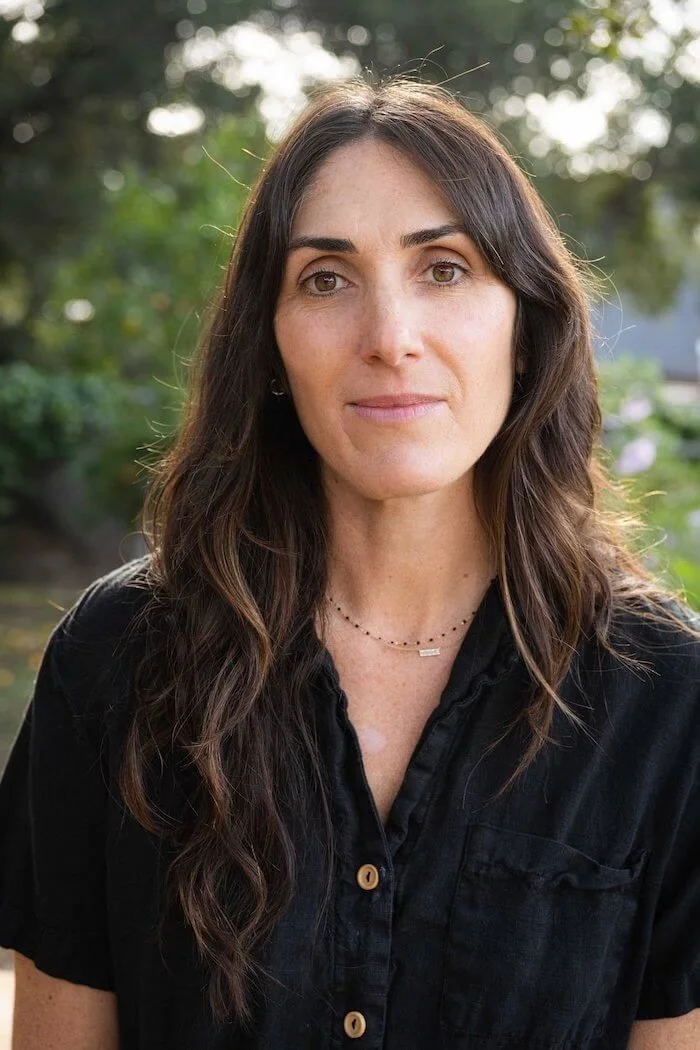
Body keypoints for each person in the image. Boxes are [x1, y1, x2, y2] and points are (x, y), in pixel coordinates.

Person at [1, 74, 699, 1050]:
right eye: (325, 278)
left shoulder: (665, 695)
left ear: (524, 322)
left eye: (444, 270)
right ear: (271, 344)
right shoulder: (118, 660)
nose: (389, 340)